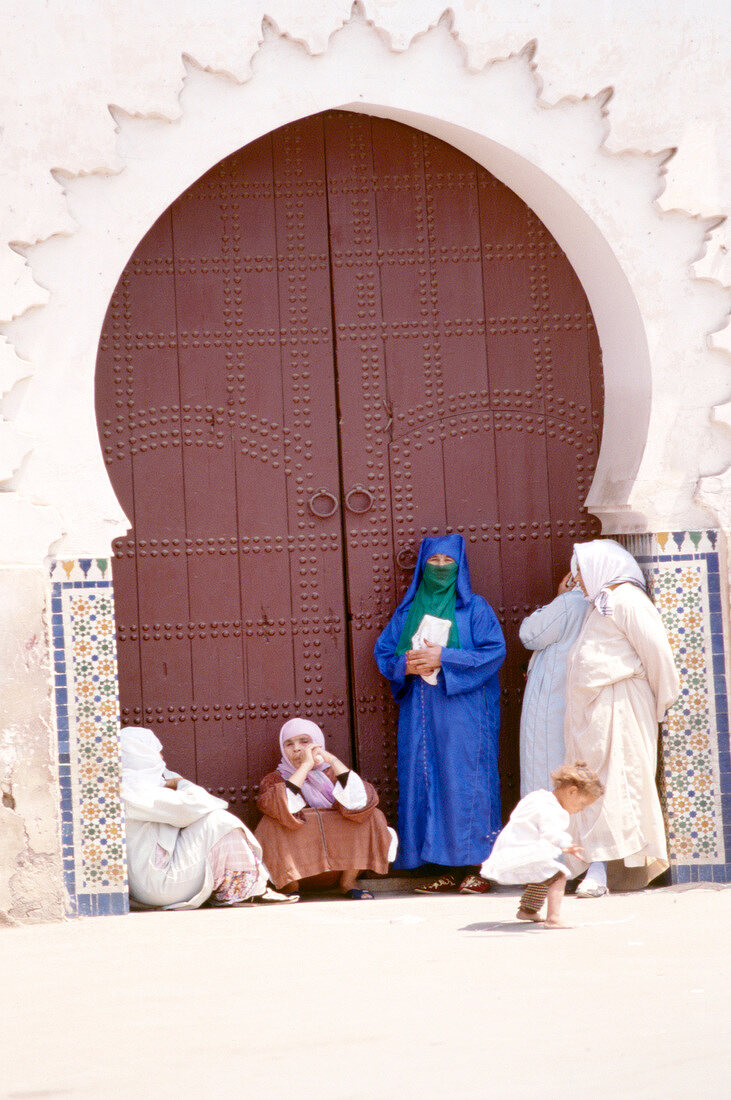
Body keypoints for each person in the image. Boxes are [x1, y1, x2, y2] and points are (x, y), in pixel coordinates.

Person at [374, 533, 506, 894]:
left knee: (467, 781)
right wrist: (407, 666)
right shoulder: (407, 612)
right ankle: (443, 867)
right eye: (434, 561)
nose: (441, 568)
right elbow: (385, 653)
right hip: (420, 716)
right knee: (428, 780)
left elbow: (494, 653)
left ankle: (477, 867)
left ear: (460, 566)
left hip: (465, 715)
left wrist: (443, 658)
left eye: (449, 562)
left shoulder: (475, 609)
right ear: (422, 566)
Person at [564, 539, 680, 897]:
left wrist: (662, 702)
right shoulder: (600, 603)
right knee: (592, 784)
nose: (577, 580)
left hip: (622, 706)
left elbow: (657, 654)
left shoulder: (628, 600)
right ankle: (592, 864)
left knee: (616, 783)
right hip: (594, 713)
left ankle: (600, 870)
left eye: (580, 572)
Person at [120, 726, 293, 909]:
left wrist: (174, 782)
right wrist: (181, 783)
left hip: (151, 882)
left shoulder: (136, 784)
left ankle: (239, 889)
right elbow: (201, 804)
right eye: (157, 752)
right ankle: (247, 891)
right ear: (143, 754)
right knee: (219, 821)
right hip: (159, 883)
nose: (162, 758)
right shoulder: (134, 791)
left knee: (214, 819)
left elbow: (200, 804)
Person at [255, 718, 397, 898]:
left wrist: (331, 760)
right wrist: (305, 766)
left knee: (372, 815)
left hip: (338, 868)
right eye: (289, 744)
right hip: (298, 871)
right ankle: (289, 886)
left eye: (304, 742)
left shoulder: (333, 773)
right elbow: (282, 805)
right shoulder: (274, 779)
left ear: (318, 744)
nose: (297, 748)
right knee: (271, 823)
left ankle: (348, 882)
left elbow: (360, 802)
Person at [480, 762, 604, 928]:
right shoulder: (553, 810)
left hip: (509, 850)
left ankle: (528, 910)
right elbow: (550, 831)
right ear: (572, 791)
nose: (581, 810)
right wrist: (565, 844)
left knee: (543, 873)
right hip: (520, 853)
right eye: (582, 804)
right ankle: (553, 919)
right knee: (558, 875)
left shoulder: (539, 797)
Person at [519, 572, 589, 797]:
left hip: (551, 702)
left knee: (544, 770)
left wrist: (559, 600)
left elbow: (529, 634)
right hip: (576, 699)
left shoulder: (571, 603)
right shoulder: (600, 603)